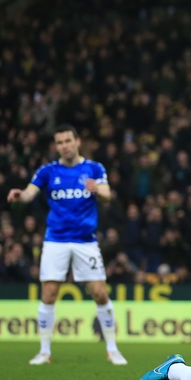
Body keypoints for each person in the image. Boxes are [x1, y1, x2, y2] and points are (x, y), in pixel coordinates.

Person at [7, 124, 127, 365]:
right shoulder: (48, 171)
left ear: (77, 141)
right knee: (49, 294)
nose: (64, 146)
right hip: (56, 240)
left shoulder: (93, 168)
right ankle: (44, 352)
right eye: (59, 142)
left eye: (67, 141)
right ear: (56, 145)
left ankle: (112, 349)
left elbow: (107, 193)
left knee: (100, 293)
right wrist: (20, 195)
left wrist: (98, 190)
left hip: (85, 241)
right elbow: (31, 193)